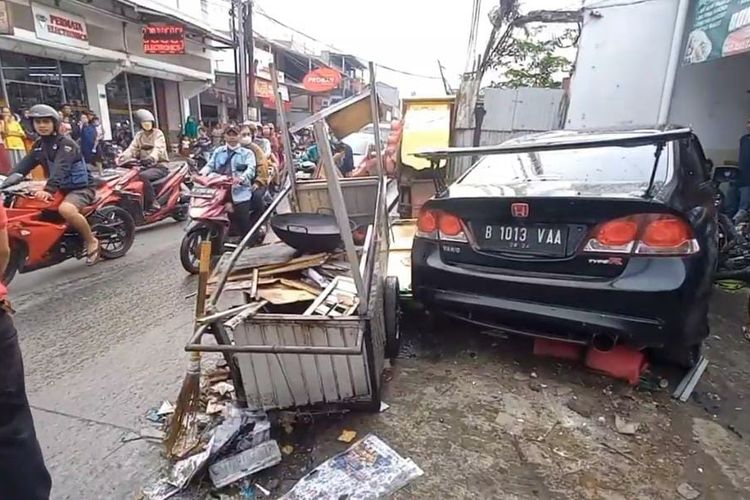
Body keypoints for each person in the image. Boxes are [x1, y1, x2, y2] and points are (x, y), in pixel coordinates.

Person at [0, 198, 52, 499]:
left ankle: (89, 240)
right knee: (10, 430)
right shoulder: (45, 149)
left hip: (74, 190)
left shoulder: (70, 148)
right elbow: (3, 250)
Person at [11, 104, 99, 264]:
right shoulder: (39, 146)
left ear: (55, 124)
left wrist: (49, 190)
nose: (42, 125)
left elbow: (61, 168)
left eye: (46, 121)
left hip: (80, 188)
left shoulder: (66, 144)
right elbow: (22, 168)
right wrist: (5, 183)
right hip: (60, 187)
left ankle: (91, 240)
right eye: (38, 122)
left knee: (66, 210)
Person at [201, 125, 255, 235]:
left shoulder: (247, 153)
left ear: (239, 136)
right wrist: (201, 174)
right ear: (224, 136)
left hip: (239, 191)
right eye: (229, 134)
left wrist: (241, 178)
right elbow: (210, 165)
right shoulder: (218, 151)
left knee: (242, 221)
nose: (231, 137)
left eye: (234, 134)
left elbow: (251, 169)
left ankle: (247, 243)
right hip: (218, 190)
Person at [119, 109, 169, 213]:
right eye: (144, 123)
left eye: (149, 123)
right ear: (140, 124)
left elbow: (158, 149)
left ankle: (152, 202)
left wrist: (151, 158)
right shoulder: (139, 135)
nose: (147, 125)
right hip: (145, 166)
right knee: (130, 177)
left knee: (142, 176)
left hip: (159, 166)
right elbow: (132, 149)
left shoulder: (158, 134)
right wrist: (121, 157)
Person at [241, 123, 271, 224]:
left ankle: (256, 226)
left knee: (256, 197)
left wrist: (258, 182)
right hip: (235, 183)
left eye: (248, 134)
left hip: (254, 181)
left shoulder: (255, 149)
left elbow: (262, 165)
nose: (246, 137)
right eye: (243, 134)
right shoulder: (223, 150)